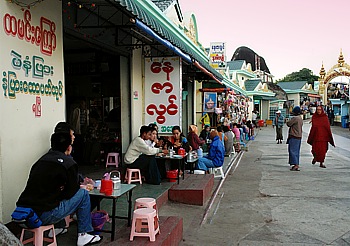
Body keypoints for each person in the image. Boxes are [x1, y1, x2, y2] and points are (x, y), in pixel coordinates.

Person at [16, 132, 102, 246]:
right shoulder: (69, 163)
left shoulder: (40, 161)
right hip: (43, 216)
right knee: (83, 194)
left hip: (22, 214)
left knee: (55, 196)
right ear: (68, 147)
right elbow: (71, 193)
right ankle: (83, 235)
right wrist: (83, 186)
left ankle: (58, 228)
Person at [286, 106, 303, 171]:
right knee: (296, 151)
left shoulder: (295, 118)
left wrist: (287, 120)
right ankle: (296, 163)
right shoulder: (300, 118)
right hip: (299, 136)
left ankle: (295, 164)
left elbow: (288, 124)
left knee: (292, 151)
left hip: (294, 136)